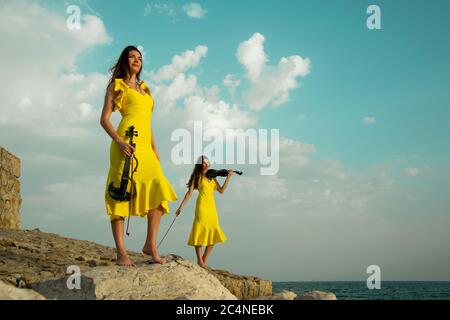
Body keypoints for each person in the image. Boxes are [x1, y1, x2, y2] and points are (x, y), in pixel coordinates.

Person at [100, 45, 178, 266]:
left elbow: (147, 122)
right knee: (119, 193)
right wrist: (119, 141)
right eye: (132, 57)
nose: (136, 60)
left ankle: (150, 244)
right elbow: (104, 119)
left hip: (145, 146)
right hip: (124, 142)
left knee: (159, 188)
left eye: (139, 58)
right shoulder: (117, 86)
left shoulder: (146, 89)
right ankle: (121, 253)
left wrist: (155, 148)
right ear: (125, 61)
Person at [175, 155, 232, 268]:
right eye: (203, 163)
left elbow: (221, 191)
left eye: (207, 162)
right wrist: (180, 207)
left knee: (214, 233)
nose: (206, 165)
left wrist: (228, 177)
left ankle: (205, 258)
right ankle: (199, 260)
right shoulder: (197, 177)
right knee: (199, 232)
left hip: (212, 208)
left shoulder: (213, 177)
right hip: (201, 207)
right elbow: (189, 193)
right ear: (200, 165)